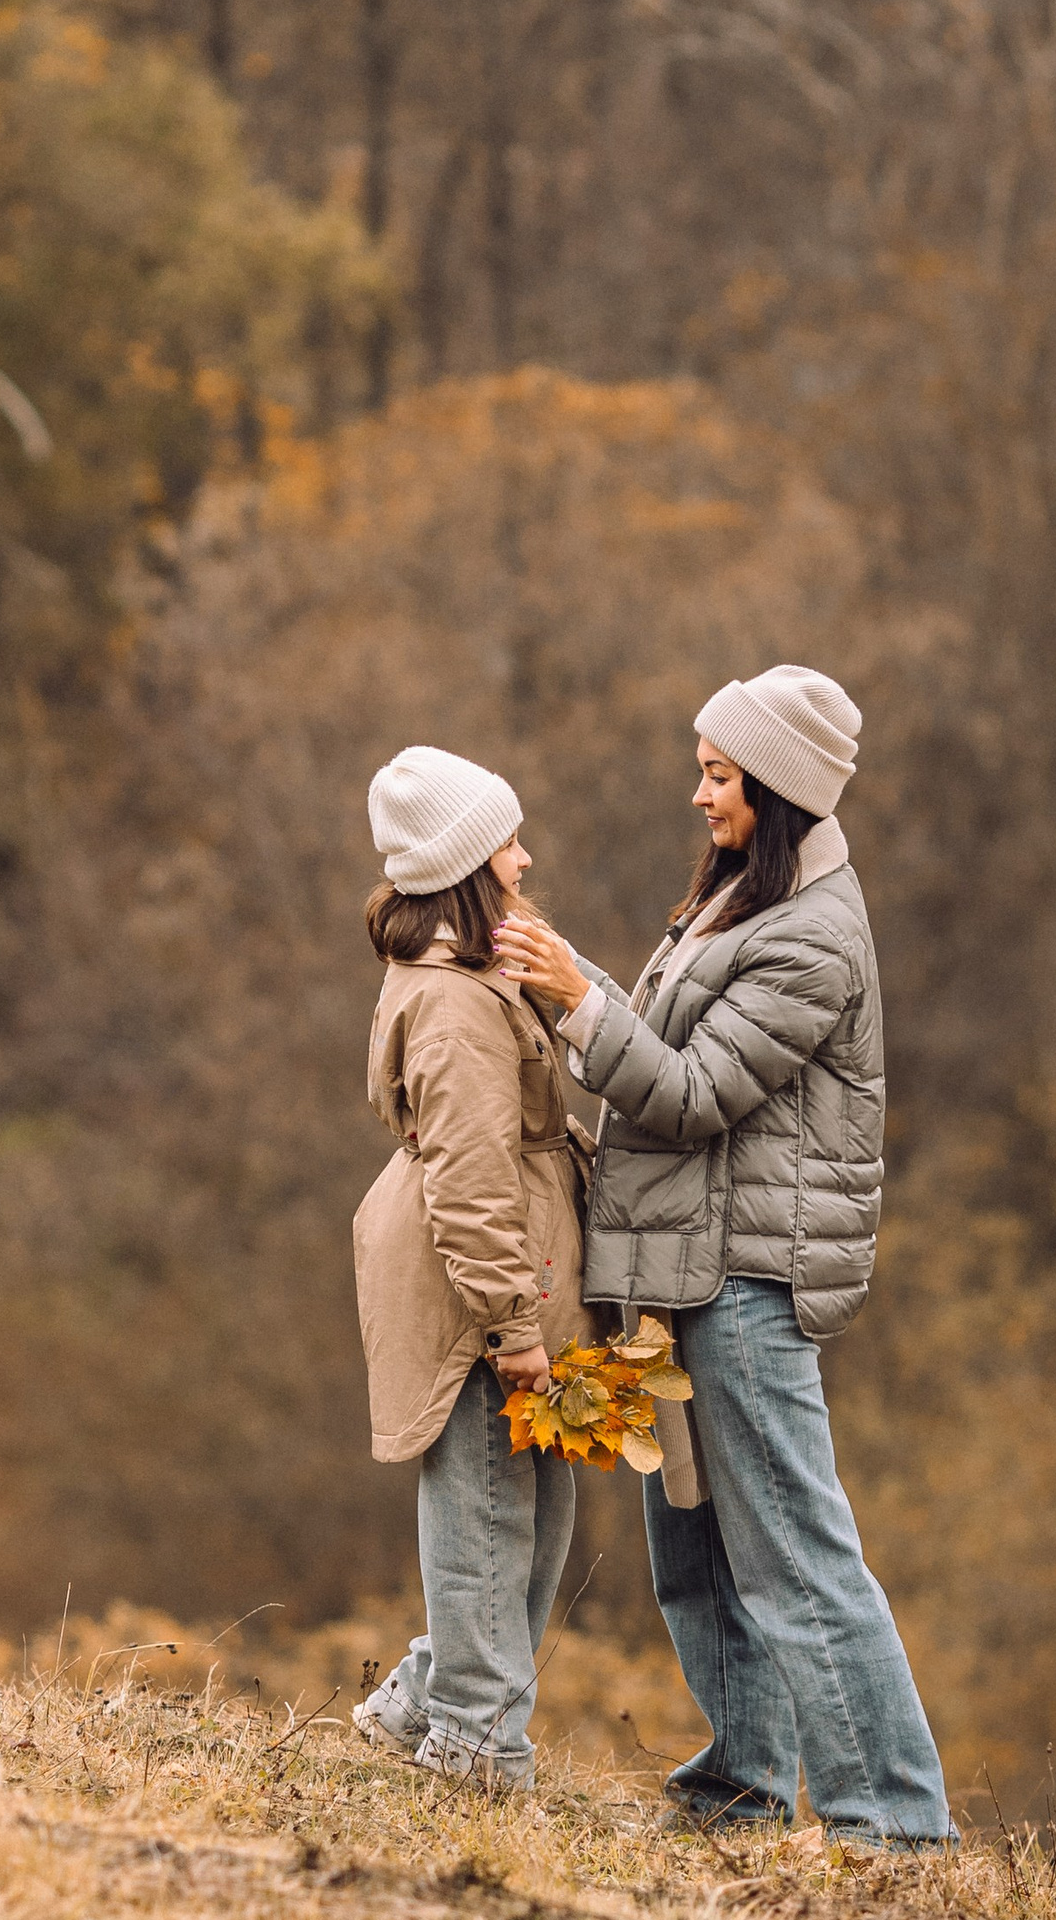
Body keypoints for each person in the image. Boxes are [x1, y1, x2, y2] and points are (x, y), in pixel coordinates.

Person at [493, 668, 955, 1851]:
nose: (696, 793)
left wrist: (576, 1002)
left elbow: (693, 1093)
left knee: (798, 1560)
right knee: (694, 1562)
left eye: (716, 772)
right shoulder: (743, 901)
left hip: (743, 1288)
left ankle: (895, 1829)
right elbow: (666, 1044)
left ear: (777, 785)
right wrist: (579, 982)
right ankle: (739, 1790)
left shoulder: (810, 939)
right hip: (677, 1277)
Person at [351, 745, 585, 1791]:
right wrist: (514, 1326)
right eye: (508, 843)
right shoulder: (451, 1004)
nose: (525, 860)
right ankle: (475, 1754)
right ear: (463, 866)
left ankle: (420, 1704)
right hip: (481, 1299)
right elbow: (472, 1176)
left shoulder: (470, 978)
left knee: (529, 1521)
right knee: (489, 1514)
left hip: (510, 1285)